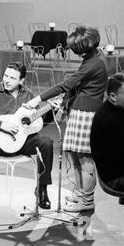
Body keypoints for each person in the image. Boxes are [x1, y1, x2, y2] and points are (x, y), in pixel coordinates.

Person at [24, 26, 108, 212]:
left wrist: (38, 98)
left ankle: (86, 200)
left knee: (85, 160)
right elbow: (77, 85)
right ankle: (80, 193)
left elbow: (67, 84)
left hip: (86, 114)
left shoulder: (93, 63)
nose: (76, 54)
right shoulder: (93, 57)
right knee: (74, 156)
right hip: (81, 111)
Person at [0, 62, 54, 215]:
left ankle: (42, 190)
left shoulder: (28, 95)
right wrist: (0, 125)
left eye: (12, 78)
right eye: (5, 76)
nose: (7, 80)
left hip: (23, 142)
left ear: (21, 81)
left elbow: (39, 122)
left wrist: (51, 109)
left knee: (46, 143)